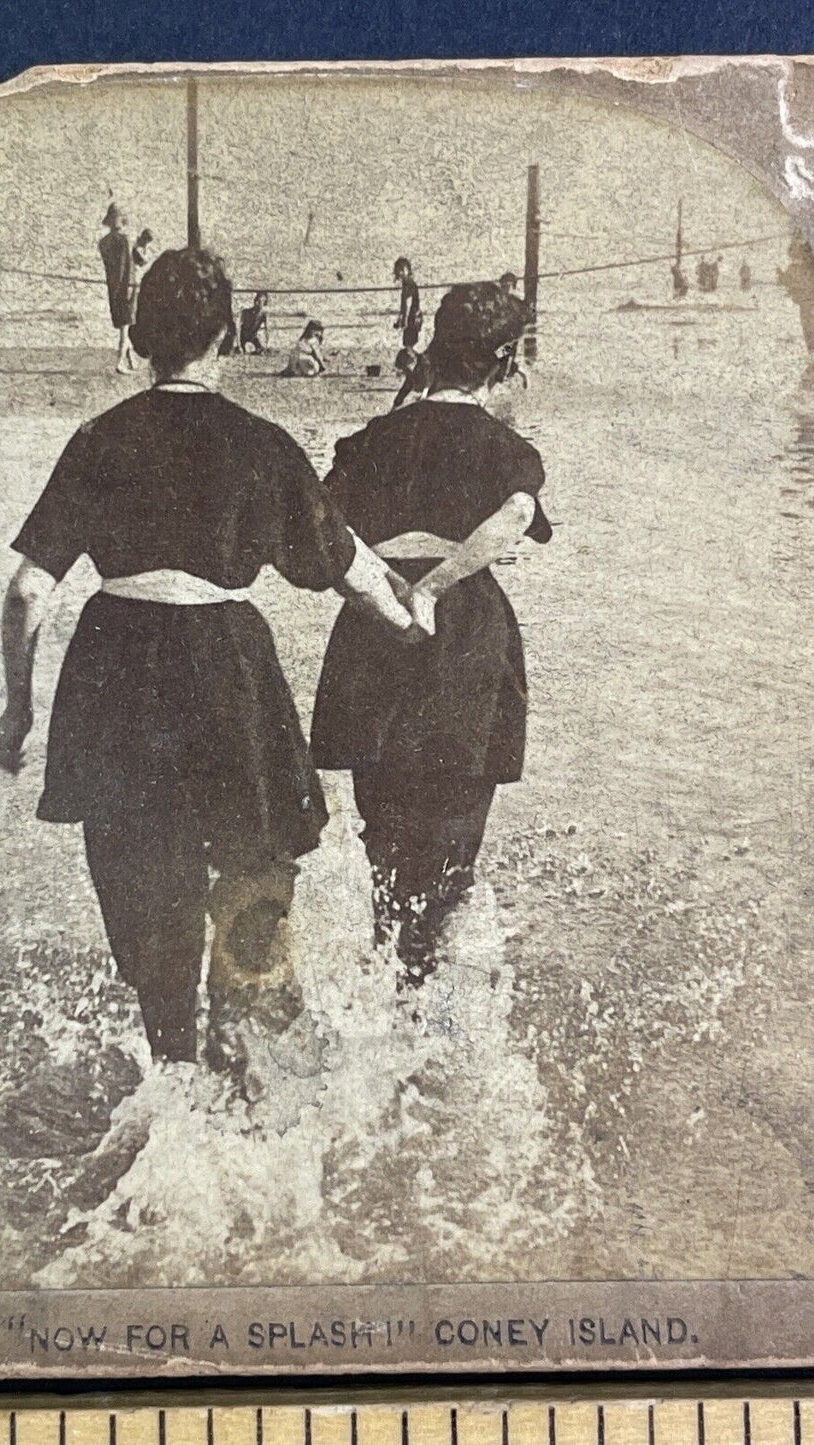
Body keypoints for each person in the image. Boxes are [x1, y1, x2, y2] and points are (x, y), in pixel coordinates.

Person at [0, 247, 415, 1070]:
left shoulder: (98, 438)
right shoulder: (260, 443)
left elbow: (26, 591)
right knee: (254, 860)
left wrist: (18, 709)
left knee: (144, 875)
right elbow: (343, 564)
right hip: (228, 666)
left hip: (115, 665)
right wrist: (409, 622)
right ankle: (238, 1046)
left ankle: (170, 1064)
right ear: (224, 334)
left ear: (145, 337)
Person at [311, 282, 553, 988]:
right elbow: (514, 516)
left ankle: (387, 989)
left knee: (383, 840)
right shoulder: (506, 446)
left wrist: (385, 587)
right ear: (503, 359)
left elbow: (320, 531)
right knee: (450, 845)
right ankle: (428, 1013)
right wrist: (434, 586)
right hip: (465, 635)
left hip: (371, 633)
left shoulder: (369, 440)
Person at [778, 234, 814, 358]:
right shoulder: (811, 267)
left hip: (809, 302)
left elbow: (785, 281)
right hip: (813, 301)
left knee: (810, 324)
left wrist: (781, 275)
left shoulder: (797, 268)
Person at [98, 202, 135, 372]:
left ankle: (130, 359)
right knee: (125, 327)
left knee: (125, 325)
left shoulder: (103, 242)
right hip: (125, 288)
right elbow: (124, 267)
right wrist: (126, 288)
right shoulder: (123, 240)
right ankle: (120, 362)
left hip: (113, 288)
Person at [393, 256, 422, 350]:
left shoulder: (408, 283)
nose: (400, 273)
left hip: (412, 317)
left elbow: (408, 302)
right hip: (412, 317)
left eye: (402, 269)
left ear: (408, 270)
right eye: (398, 270)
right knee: (409, 343)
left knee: (409, 345)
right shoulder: (406, 283)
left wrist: (404, 320)